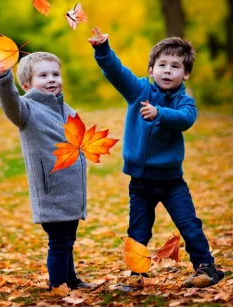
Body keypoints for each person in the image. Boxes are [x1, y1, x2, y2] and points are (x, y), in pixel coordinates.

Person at [88, 27, 224, 288]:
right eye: (162, 65)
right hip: (140, 182)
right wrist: (103, 50)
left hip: (172, 181)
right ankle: (137, 275)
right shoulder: (139, 91)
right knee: (138, 231)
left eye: (175, 66)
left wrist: (159, 113)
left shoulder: (185, 101)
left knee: (189, 224)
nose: (167, 70)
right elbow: (117, 73)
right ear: (151, 70)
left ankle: (206, 268)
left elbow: (185, 120)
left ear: (186, 73)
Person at [0, 52, 96, 294]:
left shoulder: (66, 109)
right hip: (51, 191)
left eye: (55, 74)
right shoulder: (26, 110)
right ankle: (58, 285)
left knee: (68, 240)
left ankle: (70, 279)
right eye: (44, 75)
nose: (52, 79)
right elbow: (10, 101)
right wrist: (3, 78)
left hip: (71, 190)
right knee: (59, 243)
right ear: (28, 85)